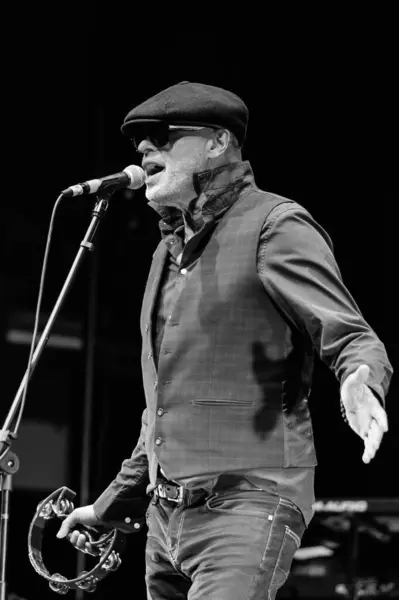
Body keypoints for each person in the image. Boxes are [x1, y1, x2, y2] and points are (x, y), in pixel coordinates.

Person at [57, 81, 392, 600]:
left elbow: (349, 334)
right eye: (141, 143)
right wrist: (110, 505)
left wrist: (360, 381)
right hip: (164, 520)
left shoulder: (274, 225)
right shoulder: (165, 255)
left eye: (163, 137)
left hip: (249, 504)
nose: (145, 151)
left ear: (218, 142)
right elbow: (162, 411)